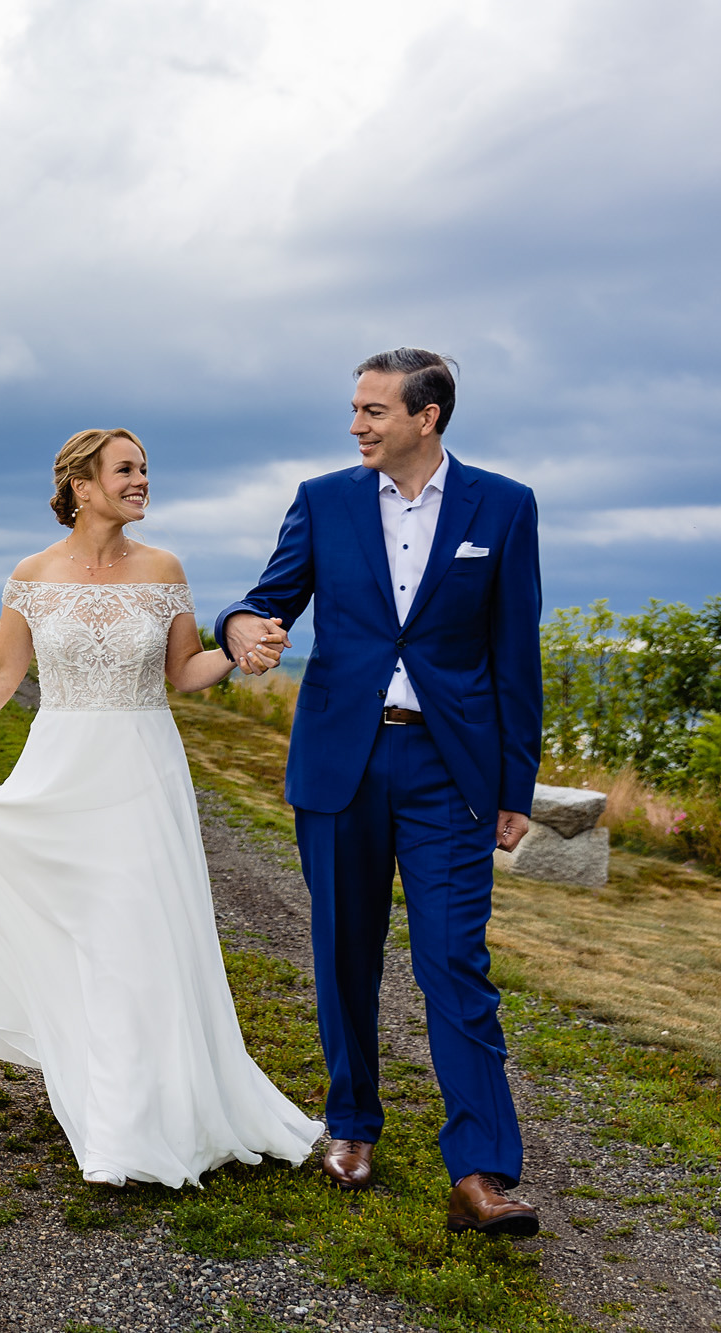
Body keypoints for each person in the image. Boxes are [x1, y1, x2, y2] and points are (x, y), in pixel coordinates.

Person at [0, 428, 320, 1189]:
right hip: (61, 767)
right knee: (81, 934)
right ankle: (108, 1098)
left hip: (142, 771)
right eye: (126, 470)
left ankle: (136, 1123)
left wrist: (241, 656)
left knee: (134, 935)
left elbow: (185, 671)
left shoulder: (165, 569)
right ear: (81, 485)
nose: (142, 480)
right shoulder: (32, 573)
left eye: (146, 469)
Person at [215, 349, 542, 1236]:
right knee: (344, 953)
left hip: (451, 772)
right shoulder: (322, 500)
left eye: (372, 410)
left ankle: (480, 1170)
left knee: (454, 965)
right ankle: (353, 1125)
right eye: (355, 409)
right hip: (340, 763)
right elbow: (267, 597)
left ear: (425, 417)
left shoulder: (504, 506)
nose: (356, 424)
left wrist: (518, 786)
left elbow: (515, 653)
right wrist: (242, 626)